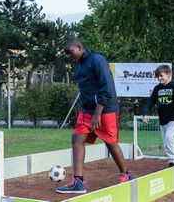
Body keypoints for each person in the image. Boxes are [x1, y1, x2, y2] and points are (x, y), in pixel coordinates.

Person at [56, 38, 132, 194]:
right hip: (87, 110)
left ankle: (126, 174)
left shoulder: (97, 60)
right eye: (66, 54)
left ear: (79, 47)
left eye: (70, 52)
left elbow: (107, 87)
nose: (69, 56)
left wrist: (97, 113)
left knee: (111, 143)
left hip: (105, 110)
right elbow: (85, 90)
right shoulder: (77, 66)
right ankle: (78, 181)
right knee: (77, 139)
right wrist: (85, 108)